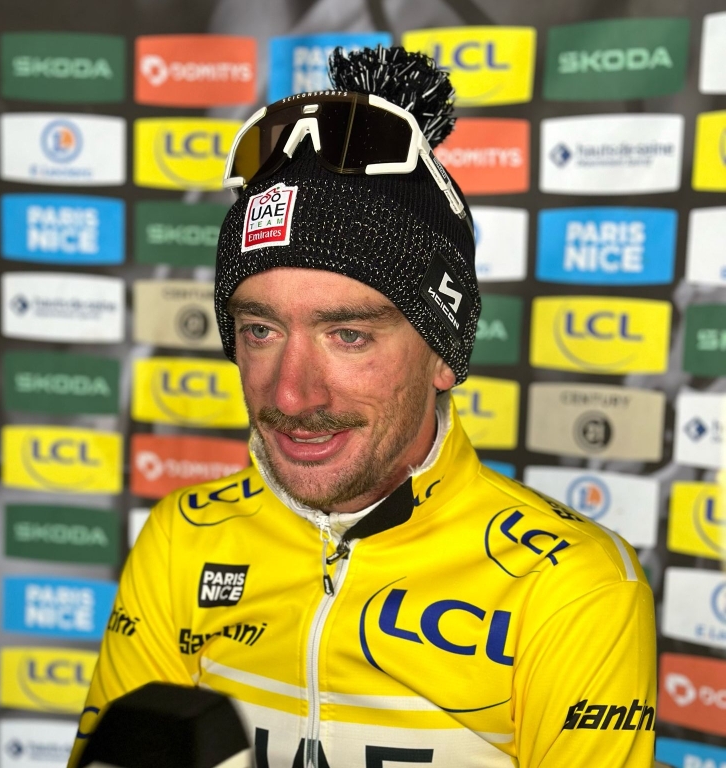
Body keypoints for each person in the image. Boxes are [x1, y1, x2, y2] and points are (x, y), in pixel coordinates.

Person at [68, 47, 656, 768]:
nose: (292, 395)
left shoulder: (572, 585)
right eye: (260, 330)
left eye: (348, 335)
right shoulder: (180, 543)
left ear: (442, 354)